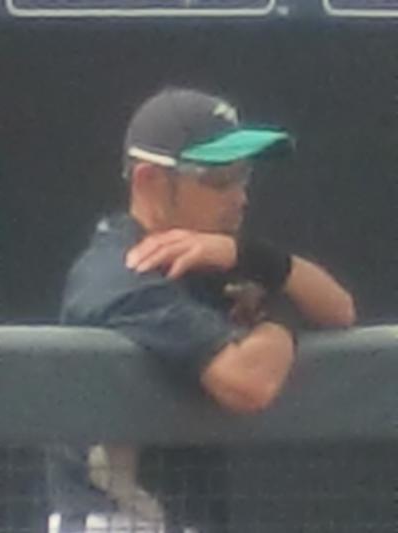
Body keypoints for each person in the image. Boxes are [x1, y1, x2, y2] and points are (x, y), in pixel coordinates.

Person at [59, 87, 356, 530]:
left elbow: (340, 309)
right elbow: (250, 383)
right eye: (219, 178)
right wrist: (281, 316)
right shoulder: (121, 273)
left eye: (243, 175)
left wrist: (252, 257)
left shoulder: (206, 256)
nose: (239, 197)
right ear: (149, 181)